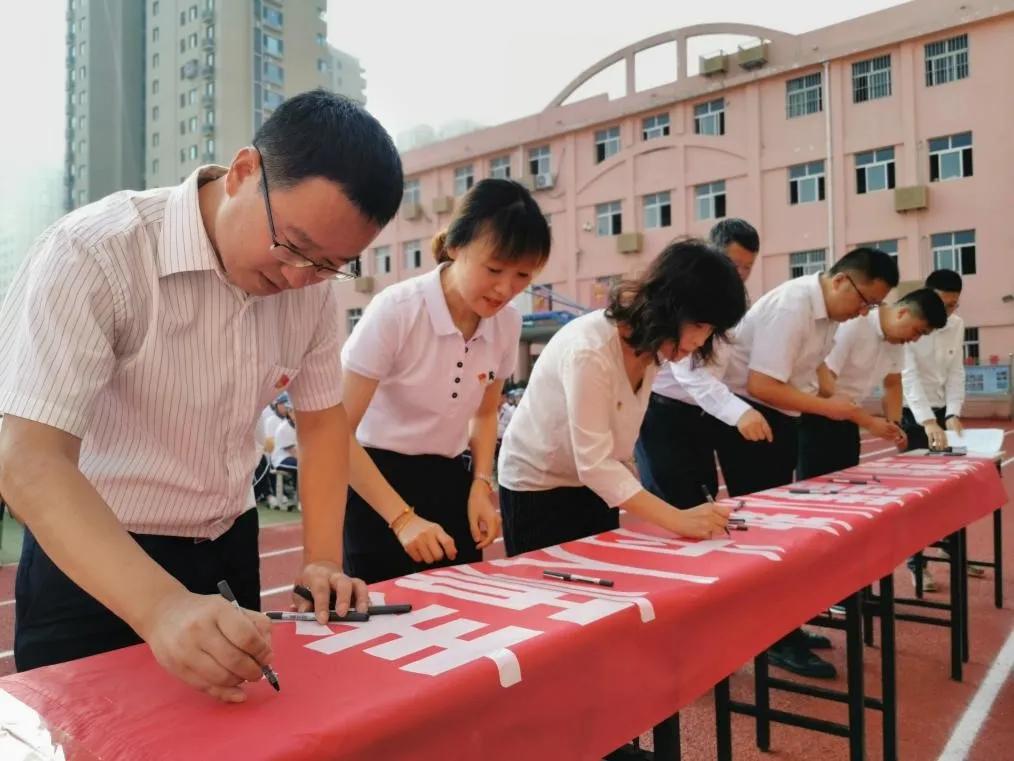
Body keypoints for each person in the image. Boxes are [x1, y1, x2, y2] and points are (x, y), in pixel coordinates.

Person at [0, 90, 402, 701]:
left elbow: (322, 423)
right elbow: (27, 459)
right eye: (292, 245)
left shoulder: (311, 292)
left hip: (227, 548)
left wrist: (321, 558)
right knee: (86, 731)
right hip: (96, 556)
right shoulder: (97, 253)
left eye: (329, 265)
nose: (298, 278)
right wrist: (160, 608)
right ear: (244, 172)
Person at [340, 178, 551, 583]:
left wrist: (480, 485)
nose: (506, 289)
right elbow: (335, 432)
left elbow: (486, 414)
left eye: (523, 275)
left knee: (461, 613)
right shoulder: (397, 310)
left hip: (450, 479)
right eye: (493, 269)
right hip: (376, 484)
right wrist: (401, 520)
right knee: (387, 625)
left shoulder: (506, 322)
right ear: (455, 246)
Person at [713, 246, 899, 679]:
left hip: (781, 417)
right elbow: (763, 384)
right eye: (864, 301)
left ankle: (784, 626)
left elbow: (819, 375)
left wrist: (852, 411)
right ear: (840, 281)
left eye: (873, 306)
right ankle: (773, 638)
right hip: (752, 418)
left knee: (781, 531)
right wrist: (830, 409)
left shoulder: (830, 315)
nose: (863, 312)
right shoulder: (793, 306)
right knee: (764, 535)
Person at [497, 238, 742, 559]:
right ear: (667, 306)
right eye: (697, 324)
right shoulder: (591, 351)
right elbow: (594, 464)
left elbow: (609, 459)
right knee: (552, 594)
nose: (700, 340)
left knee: (605, 588)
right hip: (539, 486)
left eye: (710, 330)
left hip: (595, 486)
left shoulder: (653, 349)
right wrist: (678, 518)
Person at [636, 218, 772, 507]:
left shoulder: (730, 304)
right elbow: (690, 374)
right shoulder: (689, 297)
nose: (741, 274)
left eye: (748, 266)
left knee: (705, 494)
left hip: (700, 414)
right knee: (673, 501)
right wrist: (739, 412)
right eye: (735, 264)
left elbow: (724, 364)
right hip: (662, 412)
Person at [798, 288, 948, 479]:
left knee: (847, 485)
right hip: (818, 416)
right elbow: (825, 387)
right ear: (903, 313)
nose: (914, 339)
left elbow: (893, 384)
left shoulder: (896, 342)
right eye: (917, 331)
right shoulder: (854, 326)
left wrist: (893, 423)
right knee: (815, 488)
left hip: (849, 420)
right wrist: (868, 422)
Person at [899, 269, 977, 589]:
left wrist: (954, 412)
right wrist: (927, 420)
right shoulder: (910, 321)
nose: (948, 312)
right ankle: (916, 562)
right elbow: (907, 375)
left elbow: (956, 372)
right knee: (918, 494)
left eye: (954, 305)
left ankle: (954, 552)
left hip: (944, 413)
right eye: (944, 305)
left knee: (951, 490)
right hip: (915, 414)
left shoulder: (956, 325)